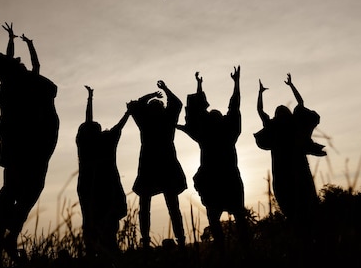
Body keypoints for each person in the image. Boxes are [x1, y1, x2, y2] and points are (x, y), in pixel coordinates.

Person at [0, 23, 59, 265]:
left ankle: (3, 241)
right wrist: (24, 44)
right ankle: (4, 239)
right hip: (28, 145)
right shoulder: (20, 83)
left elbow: (25, 64)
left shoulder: (13, 83)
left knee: (18, 192)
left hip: (26, 145)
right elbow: (32, 65)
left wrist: (20, 42)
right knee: (23, 192)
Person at [180, 67, 249, 249]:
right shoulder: (227, 132)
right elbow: (233, 106)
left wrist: (200, 86)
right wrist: (235, 82)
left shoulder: (208, 134)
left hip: (217, 180)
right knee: (235, 216)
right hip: (225, 179)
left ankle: (226, 248)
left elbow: (200, 111)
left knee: (219, 217)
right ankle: (241, 248)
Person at [254, 74, 324, 226]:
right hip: (290, 170)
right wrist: (290, 85)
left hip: (288, 171)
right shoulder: (289, 125)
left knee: (298, 205)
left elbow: (260, 110)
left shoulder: (282, 126)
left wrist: (260, 93)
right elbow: (300, 102)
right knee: (302, 204)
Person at [127, 80, 187, 248]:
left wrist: (154, 95)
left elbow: (137, 104)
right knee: (167, 205)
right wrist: (163, 90)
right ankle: (175, 240)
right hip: (160, 165)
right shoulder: (163, 120)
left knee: (153, 205)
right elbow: (176, 103)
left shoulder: (146, 121)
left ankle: (152, 241)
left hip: (155, 165)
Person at [76, 85, 129, 257]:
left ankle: (92, 253)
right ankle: (110, 252)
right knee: (109, 224)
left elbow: (88, 122)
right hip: (107, 187)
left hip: (87, 187)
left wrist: (90, 99)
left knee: (91, 222)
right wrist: (128, 113)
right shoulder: (106, 143)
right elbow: (118, 127)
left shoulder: (84, 145)